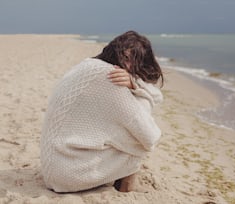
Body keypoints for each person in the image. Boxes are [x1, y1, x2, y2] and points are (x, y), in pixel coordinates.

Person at [40, 31, 163, 193]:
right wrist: (139, 90)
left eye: (136, 62)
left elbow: (157, 96)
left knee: (126, 126)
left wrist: (135, 85)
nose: (130, 67)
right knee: (138, 135)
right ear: (114, 53)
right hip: (69, 175)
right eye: (127, 59)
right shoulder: (112, 78)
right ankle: (127, 187)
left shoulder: (88, 65)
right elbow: (150, 137)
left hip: (54, 167)